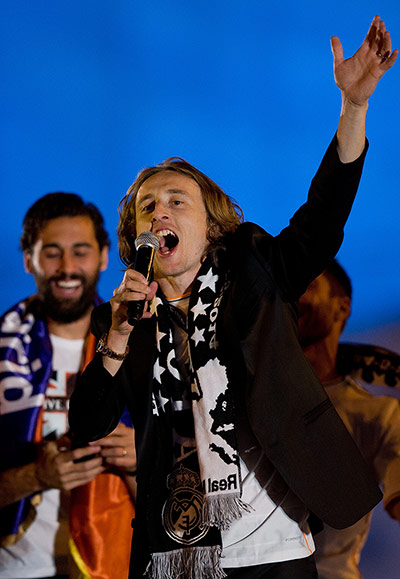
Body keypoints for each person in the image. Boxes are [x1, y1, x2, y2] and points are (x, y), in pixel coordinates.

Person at [69, 15, 397, 579]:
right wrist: (118, 339)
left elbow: (322, 222)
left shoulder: (254, 270)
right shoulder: (120, 317)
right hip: (178, 551)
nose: (160, 212)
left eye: (177, 200)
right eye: (148, 206)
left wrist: (354, 107)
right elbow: (87, 423)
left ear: (211, 227)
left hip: (273, 546)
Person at [0, 193, 137, 578]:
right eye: (52, 253)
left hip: (117, 563)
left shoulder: (143, 348)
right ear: (28, 259)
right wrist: (36, 477)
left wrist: (144, 455)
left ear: (104, 256)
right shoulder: (2, 349)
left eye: (80, 252)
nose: (67, 268)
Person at [298, 259, 400, 579]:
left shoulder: (376, 415)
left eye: (309, 287)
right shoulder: (251, 400)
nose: (294, 298)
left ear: (341, 308)